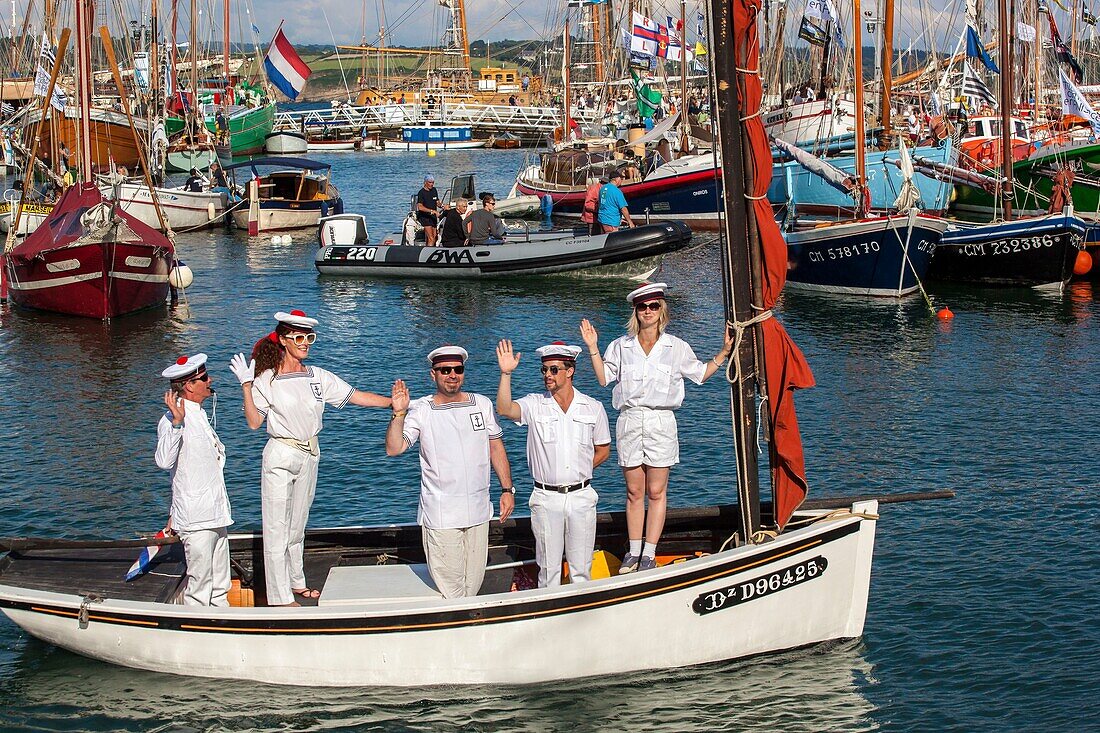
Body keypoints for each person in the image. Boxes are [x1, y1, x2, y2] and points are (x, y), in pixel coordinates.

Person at [229, 309, 392, 606]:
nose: (306, 342)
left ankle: (296, 582)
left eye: (310, 337)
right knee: (277, 528)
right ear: (283, 340)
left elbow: (356, 396)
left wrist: (394, 404)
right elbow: (254, 422)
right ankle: (279, 599)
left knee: (297, 525)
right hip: (280, 453)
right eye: (300, 337)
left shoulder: (318, 376)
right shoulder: (267, 379)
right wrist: (246, 385)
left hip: (309, 452)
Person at [580, 283, 732, 573]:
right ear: (635, 312)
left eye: (653, 306)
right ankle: (633, 551)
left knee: (657, 491)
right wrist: (592, 348)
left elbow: (699, 374)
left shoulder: (675, 347)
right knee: (634, 492)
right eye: (642, 307)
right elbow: (603, 379)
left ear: (662, 310)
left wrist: (723, 352)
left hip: (662, 422)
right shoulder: (620, 346)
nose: (648, 312)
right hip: (630, 420)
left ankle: (650, 553)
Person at [385, 346, 515, 599]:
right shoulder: (421, 409)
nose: (452, 375)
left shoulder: (482, 404)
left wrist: (507, 489)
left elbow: (496, 446)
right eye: (445, 370)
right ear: (433, 375)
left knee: (473, 584)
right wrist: (399, 413)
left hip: (478, 511)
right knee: (453, 590)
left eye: (457, 369)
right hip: (442, 515)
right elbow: (394, 448)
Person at [495, 340, 610, 587]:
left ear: (570, 371)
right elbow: (504, 409)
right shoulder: (535, 404)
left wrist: (581, 470)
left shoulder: (593, 407)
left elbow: (603, 449)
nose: (547, 374)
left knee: (582, 571)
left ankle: (580, 618)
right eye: (544, 369)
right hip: (546, 497)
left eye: (553, 369)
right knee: (548, 573)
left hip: (582, 496)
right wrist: (506, 374)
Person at [155, 353, 233, 607]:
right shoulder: (171, 419)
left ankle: (225, 627)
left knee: (221, 584)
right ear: (189, 385)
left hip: (216, 513)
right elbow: (164, 461)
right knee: (200, 585)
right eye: (204, 378)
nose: (210, 381)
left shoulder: (199, 413)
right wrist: (177, 423)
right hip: (196, 517)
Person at [416, 175, 441, 247]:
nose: (431, 184)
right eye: (430, 182)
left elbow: (437, 201)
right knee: (431, 238)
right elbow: (420, 207)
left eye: (433, 182)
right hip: (425, 217)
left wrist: (442, 205)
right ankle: (428, 253)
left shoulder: (434, 190)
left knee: (435, 237)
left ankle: (429, 248)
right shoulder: (421, 192)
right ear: (425, 183)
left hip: (433, 217)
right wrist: (432, 211)